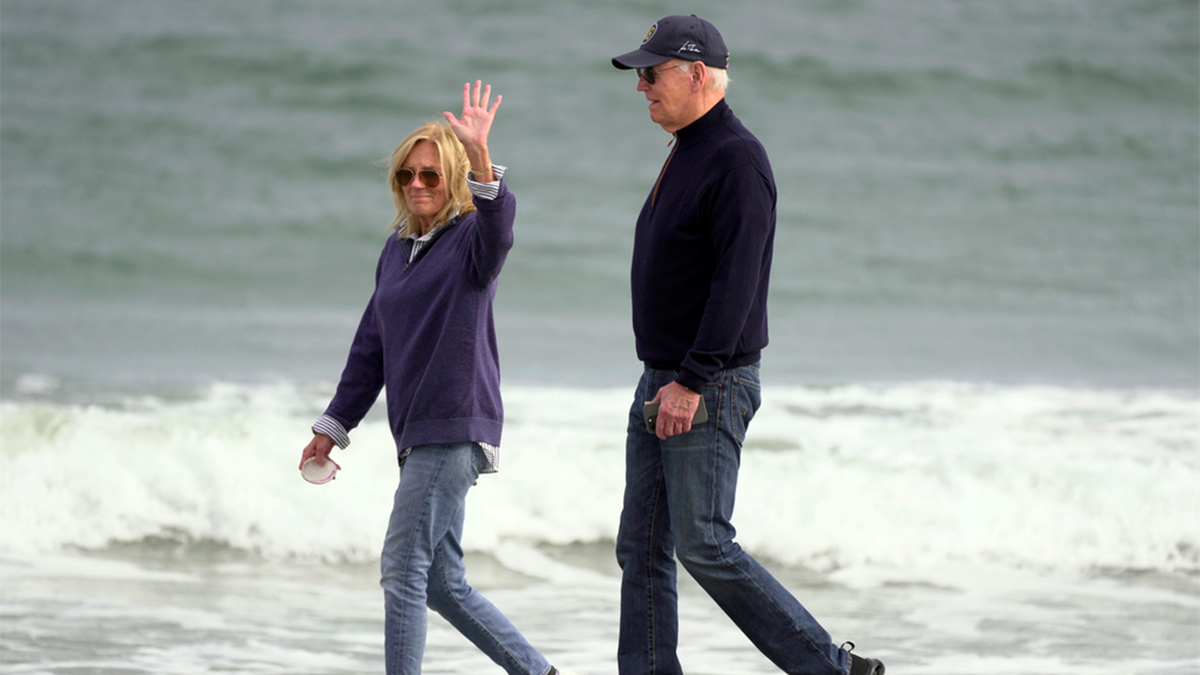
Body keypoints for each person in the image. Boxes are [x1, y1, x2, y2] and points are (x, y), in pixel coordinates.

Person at [610, 16, 886, 675]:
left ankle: (834, 668)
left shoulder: (735, 157)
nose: (641, 86)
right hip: (664, 378)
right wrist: (668, 379)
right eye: (640, 75)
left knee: (704, 542)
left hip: (704, 382)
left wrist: (693, 379)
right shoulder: (689, 146)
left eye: (653, 74)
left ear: (698, 74)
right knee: (641, 544)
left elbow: (737, 282)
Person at [298, 81, 577, 675]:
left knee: (402, 568)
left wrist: (479, 157)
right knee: (443, 584)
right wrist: (333, 426)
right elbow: (370, 346)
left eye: (431, 174)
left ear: (452, 179)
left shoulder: (470, 242)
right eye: (407, 175)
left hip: (454, 426)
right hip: (418, 433)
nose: (418, 184)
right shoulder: (395, 250)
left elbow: (500, 223)